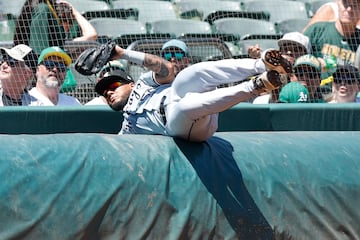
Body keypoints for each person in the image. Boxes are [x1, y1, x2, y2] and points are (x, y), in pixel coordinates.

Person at [89, 43, 292, 142]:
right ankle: (255, 86)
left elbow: (167, 69)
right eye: (104, 92)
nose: (108, 92)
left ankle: (261, 65)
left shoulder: (143, 83)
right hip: (182, 125)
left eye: (114, 85)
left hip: (178, 97)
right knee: (186, 106)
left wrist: (122, 53)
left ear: (130, 84)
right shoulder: (126, 130)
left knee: (193, 72)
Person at [86, 39, 192, 106]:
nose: (172, 59)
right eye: (167, 56)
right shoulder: (148, 82)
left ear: (187, 60)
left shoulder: (196, 80)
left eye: (178, 55)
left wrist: (123, 53)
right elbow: (168, 70)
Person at [13, 0, 97, 55]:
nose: (68, 25)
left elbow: (92, 35)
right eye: (63, 21)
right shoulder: (41, 9)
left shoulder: (66, 41)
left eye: (70, 21)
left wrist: (73, 10)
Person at [303, 0, 360, 80]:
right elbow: (297, 58)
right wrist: (314, 63)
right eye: (346, 3)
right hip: (317, 90)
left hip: (349, 90)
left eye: (355, 5)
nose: (349, 9)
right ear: (338, 4)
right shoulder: (317, 30)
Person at [251, 32, 311, 103]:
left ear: (306, 54)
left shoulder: (312, 73)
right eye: (285, 49)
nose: (289, 52)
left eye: (295, 49)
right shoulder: (269, 70)